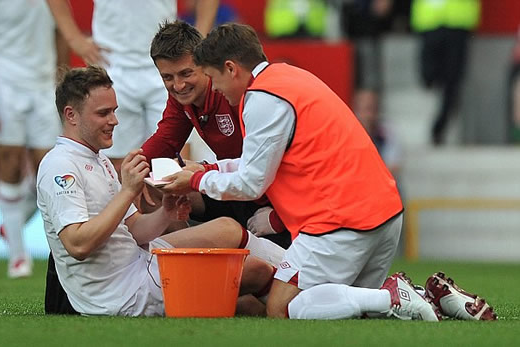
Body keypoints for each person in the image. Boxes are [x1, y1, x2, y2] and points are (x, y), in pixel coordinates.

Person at [161, 23, 496, 321]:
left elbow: (251, 182)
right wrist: (208, 168)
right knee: (353, 309)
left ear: (231, 68)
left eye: (214, 79)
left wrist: (194, 179)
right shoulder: (287, 78)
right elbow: (264, 163)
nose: (215, 89)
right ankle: (429, 297)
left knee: (283, 308)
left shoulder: (261, 99)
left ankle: (391, 294)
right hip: (383, 215)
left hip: (339, 223)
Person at [37, 65, 285, 316]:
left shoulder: (98, 160)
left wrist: (166, 212)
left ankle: (300, 280)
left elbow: (134, 230)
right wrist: (127, 192)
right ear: (71, 115)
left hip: (138, 264)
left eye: (114, 111)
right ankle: (304, 284)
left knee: (228, 232)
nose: (114, 120)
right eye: (103, 113)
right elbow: (77, 246)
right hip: (123, 293)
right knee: (255, 273)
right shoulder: (61, 167)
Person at [141, 20, 291, 248]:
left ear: (204, 64)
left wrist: (278, 218)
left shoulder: (239, 93)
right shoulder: (183, 99)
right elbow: (163, 141)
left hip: (272, 202)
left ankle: (161, 257)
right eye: (167, 78)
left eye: (186, 73)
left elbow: (284, 162)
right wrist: (128, 179)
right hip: (239, 190)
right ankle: (172, 259)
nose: (178, 85)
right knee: (154, 181)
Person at [46, 0, 220, 176]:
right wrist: (73, 38)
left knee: (177, 161)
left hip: (167, 63)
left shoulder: (177, 77)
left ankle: (177, 204)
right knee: (116, 164)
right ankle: (127, 204)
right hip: (112, 63)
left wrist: (200, 40)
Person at [0, 0, 67, 278]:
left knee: (49, 169)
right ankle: (17, 256)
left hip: (43, 85)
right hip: (3, 84)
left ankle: (14, 221)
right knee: (9, 164)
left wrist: (61, 84)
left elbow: (61, 32)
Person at [410, 0, 481, 145]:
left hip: (457, 21)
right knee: (428, 76)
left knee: (452, 82)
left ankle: (439, 128)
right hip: (429, 20)